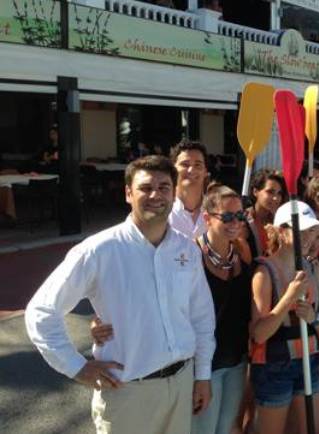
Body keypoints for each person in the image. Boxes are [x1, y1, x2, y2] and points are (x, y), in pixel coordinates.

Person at [25, 155, 216, 434]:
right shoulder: (99, 250)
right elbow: (41, 311)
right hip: (127, 393)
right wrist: (76, 366)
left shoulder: (186, 249)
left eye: (164, 187)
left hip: (181, 385)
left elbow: (201, 318)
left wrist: (202, 375)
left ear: (174, 193)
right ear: (128, 193)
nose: (155, 195)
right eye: (145, 188)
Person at [249, 201, 319, 434]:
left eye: (312, 231)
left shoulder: (313, 269)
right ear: (280, 230)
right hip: (273, 366)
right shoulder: (264, 272)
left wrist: (313, 318)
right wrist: (289, 298)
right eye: (301, 231)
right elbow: (259, 334)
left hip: (309, 359)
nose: (307, 238)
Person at [168, 141, 209, 239]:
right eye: (185, 164)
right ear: (173, 170)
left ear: (205, 172)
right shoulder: (162, 212)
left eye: (198, 165)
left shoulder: (217, 211)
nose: (191, 170)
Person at [244, 169, 288, 260]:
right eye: (270, 192)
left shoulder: (282, 222)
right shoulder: (242, 220)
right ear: (255, 191)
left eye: (279, 193)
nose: (276, 198)